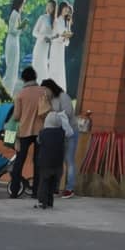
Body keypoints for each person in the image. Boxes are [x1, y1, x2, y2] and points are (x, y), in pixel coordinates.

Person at [6, 66, 48, 199]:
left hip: (24, 131)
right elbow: (47, 111)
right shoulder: (43, 91)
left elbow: (17, 116)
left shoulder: (21, 94)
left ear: (23, 78)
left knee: (19, 160)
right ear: (35, 77)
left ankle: (14, 191)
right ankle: (36, 192)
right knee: (38, 162)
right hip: (40, 131)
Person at [35, 79, 72, 209]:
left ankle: (42, 201)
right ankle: (50, 202)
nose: (44, 92)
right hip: (57, 164)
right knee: (52, 183)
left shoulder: (44, 133)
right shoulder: (61, 134)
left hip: (46, 163)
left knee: (44, 182)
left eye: (45, 89)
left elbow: (68, 113)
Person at [1, 0, 26, 97]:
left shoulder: (17, 13)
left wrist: (20, 29)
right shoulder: (15, 14)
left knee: (13, 67)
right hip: (12, 41)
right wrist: (21, 29)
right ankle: (6, 91)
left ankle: (9, 91)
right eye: (24, 0)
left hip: (14, 41)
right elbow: (11, 30)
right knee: (11, 67)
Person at [46, 1, 73, 89]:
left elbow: (67, 40)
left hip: (61, 48)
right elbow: (59, 34)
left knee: (60, 68)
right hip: (56, 47)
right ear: (61, 9)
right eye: (65, 9)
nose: (66, 11)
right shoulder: (57, 21)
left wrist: (68, 24)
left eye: (67, 10)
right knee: (54, 68)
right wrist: (63, 37)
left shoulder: (65, 22)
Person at [31, 0, 57, 78]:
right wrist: (43, 37)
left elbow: (54, 36)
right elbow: (34, 32)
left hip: (46, 48)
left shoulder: (55, 21)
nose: (49, 8)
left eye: (51, 6)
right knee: (36, 66)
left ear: (54, 8)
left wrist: (52, 38)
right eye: (47, 6)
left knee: (43, 67)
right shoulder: (42, 18)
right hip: (39, 46)